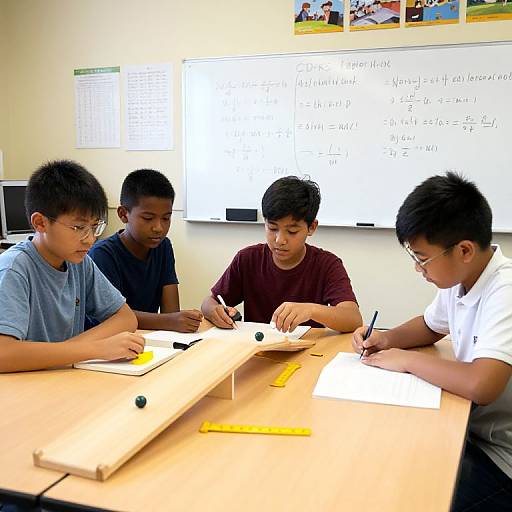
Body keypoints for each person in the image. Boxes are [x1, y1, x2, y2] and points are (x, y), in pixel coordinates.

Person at [352, 172, 512, 511]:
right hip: (472, 432)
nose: (417, 268)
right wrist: (385, 338)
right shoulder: (463, 279)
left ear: (464, 250)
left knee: (408, 495)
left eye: (422, 258)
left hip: (501, 458)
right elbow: (429, 325)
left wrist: (408, 361)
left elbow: (482, 384)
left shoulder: (505, 291)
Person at [0, 160, 143, 373]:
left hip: (62, 375)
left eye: (94, 226)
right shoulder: (14, 269)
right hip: (24, 389)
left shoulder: (79, 262)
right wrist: (94, 349)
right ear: (40, 223)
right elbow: (4, 354)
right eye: (78, 227)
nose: (90, 239)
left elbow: (125, 318)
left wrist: (74, 350)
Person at [202, 176, 362, 333]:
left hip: (308, 352)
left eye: (292, 231)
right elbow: (209, 302)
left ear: (311, 227)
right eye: (272, 228)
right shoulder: (247, 259)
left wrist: (312, 310)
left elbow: (353, 319)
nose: (279, 240)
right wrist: (214, 311)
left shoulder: (327, 264)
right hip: (256, 350)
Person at [89, 169, 202, 333]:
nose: (159, 228)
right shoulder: (103, 254)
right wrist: (171, 321)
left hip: (148, 339)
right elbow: (113, 317)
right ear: (123, 214)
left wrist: (180, 320)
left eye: (166, 218)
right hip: (108, 343)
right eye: (148, 218)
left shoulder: (163, 247)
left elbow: (170, 312)